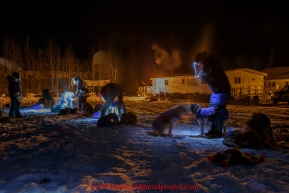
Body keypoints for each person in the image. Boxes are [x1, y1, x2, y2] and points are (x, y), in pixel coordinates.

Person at [190, 52, 231, 138]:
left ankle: (218, 131)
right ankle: (213, 130)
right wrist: (204, 75)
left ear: (202, 61)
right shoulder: (208, 66)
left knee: (217, 110)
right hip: (216, 91)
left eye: (199, 63)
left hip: (221, 90)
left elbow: (215, 79)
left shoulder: (212, 66)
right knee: (211, 110)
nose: (198, 65)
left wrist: (205, 76)